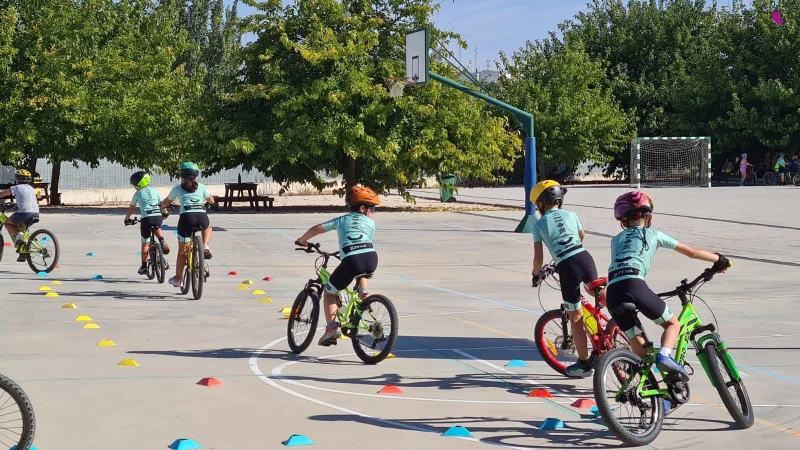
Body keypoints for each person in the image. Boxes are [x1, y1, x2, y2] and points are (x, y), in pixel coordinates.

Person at [607, 191, 730, 386]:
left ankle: (648, 385)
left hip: (613, 292)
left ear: (623, 221)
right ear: (649, 217)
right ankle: (665, 356)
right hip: (635, 285)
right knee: (673, 324)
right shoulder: (653, 234)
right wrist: (720, 260)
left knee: (637, 341)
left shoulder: (615, 240)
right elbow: (692, 252)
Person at [530, 180, 602, 377]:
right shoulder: (572, 214)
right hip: (585, 258)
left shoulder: (538, 225)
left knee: (576, 316)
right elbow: (581, 236)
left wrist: (536, 274)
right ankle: (617, 325)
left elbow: (539, 258)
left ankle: (584, 364)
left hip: (567, 266)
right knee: (597, 292)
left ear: (541, 203)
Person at [295, 185, 380, 346]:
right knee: (360, 268)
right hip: (371, 258)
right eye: (373, 209)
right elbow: (362, 243)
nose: (374, 212)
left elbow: (317, 228)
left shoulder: (341, 220)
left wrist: (302, 240)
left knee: (329, 292)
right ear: (362, 208)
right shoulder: (371, 223)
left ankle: (332, 328)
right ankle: (364, 293)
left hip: (352, 259)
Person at [160, 162, 214, 288]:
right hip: (201, 216)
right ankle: (205, 245)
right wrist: (211, 203)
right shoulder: (201, 187)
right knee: (208, 226)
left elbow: (167, 202)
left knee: (182, 251)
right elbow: (211, 200)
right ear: (196, 175)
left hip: (186, 218)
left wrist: (161, 206)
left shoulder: (178, 188)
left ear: (181, 175)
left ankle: (178, 279)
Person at [124, 171, 170, 275]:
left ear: (139, 184)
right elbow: (162, 205)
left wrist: (127, 218)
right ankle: (162, 241)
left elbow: (131, 208)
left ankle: (144, 267)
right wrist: (165, 213)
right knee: (157, 226)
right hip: (157, 217)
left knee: (145, 243)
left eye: (135, 185)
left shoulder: (137, 194)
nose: (134, 187)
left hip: (146, 219)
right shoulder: (155, 191)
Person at [0, 169, 40, 262]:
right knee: (22, 227)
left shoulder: (16, 187)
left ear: (16, 179)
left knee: (7, 222)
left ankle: (18, 236)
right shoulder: (31, 188)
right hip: (35, 213)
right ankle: (23, 252)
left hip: (24, 213)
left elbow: (3, 194)